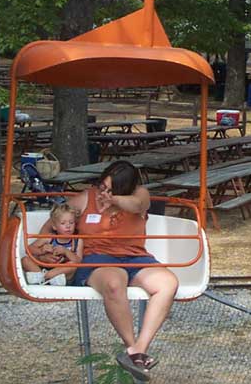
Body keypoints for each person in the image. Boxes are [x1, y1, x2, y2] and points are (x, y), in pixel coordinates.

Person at [69, 160, 179, 382]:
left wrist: (114, 200)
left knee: (168, 283)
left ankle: (139, 348)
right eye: (103, 187)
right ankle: (134, 351)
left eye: (111, 189)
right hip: (97, 258)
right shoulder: (86, 197)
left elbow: (138, 206)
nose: (104, 193)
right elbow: (59, 216)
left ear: (125, 189)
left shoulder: (139, 195)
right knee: (114, 282)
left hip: (135, 256)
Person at [21, 203, 83, 286]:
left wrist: (65, 252)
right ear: (54, 226)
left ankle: (46, 277)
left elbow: (78, 260)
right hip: (44, 268)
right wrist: (41, 251)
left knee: (72, 265)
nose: (68, 226)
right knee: (25, 260)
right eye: (63, 223)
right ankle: (42, 278)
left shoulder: (77, 240)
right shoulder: (49, 237)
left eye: (71, 223)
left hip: (62, 274)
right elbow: (29, 249)